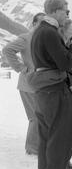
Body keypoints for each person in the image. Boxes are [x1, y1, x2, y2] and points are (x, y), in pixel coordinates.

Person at [31, 0, 72, 169]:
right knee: (59, 136)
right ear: (55, 11)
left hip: (43, 92)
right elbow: (66, 62)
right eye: (66, 11)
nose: (68, 15)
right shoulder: (50, 32)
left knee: (46, 136)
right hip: (55, 91)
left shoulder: (38, 31)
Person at [2, 12, 45, 156]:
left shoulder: (43, 39)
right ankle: (32, 149)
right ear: (34, 24)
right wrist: (21, 67)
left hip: (39, 85)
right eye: (41, 23)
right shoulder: (26, 38)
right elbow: (7, 50)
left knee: (40, 116)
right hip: (28, 84)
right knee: (35, 117)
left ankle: (38, 146)